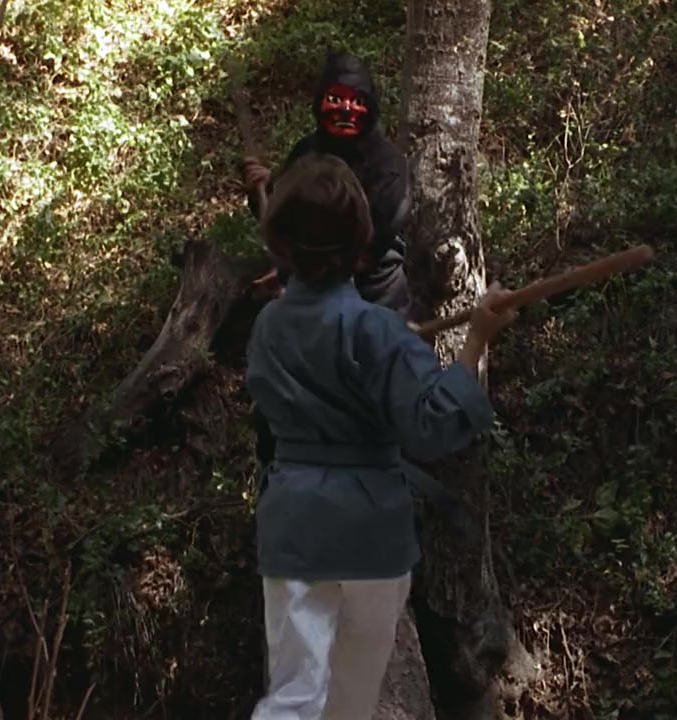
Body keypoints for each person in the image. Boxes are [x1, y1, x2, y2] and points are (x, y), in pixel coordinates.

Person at [245, 152, 516, 719]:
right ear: (361, 244)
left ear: (283, 246)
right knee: (350, 704)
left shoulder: (269, 325)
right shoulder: (376, 331)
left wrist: (392, 342)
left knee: (293, 698)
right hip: (368, 533)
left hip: (293, 524)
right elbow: (433, 424)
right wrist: (476, 338)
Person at [242, 49, 411, 315]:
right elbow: (281, 222)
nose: (346, 109)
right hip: (309, 291)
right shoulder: (306, 152)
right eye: (335, 99)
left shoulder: (388, 167)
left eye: (357, 101)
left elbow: (371, 247)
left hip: (375, 298)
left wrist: (297, 276)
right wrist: (264, 190)